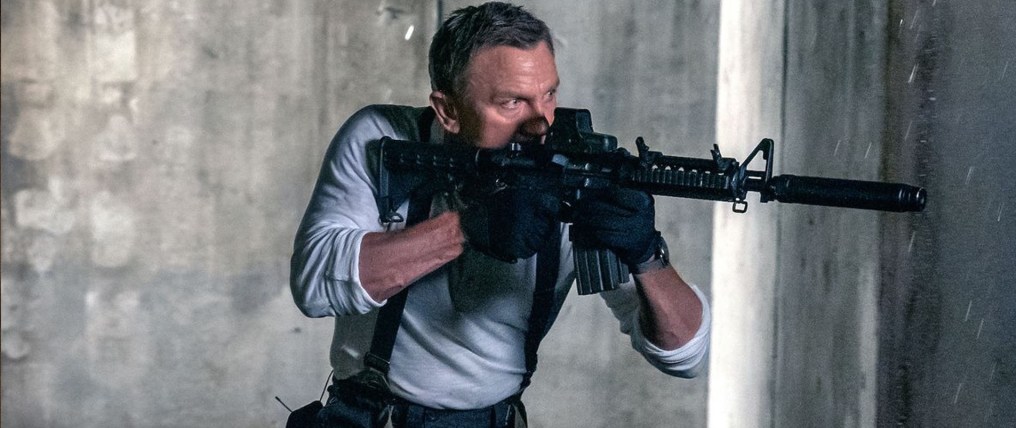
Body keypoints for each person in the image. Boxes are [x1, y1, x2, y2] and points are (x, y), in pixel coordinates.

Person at [290, 2, 710, 427]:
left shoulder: (573, 177)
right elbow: (314, 285)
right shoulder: (383, 138)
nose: (540, 124)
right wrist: (466, 227)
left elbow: (686, 355)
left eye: (549, 95)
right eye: (511, 102)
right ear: (448, 111)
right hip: (368, 418)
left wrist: (647, 256)